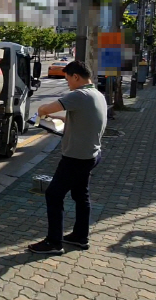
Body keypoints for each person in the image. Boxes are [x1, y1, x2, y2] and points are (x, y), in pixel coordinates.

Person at [28, 61, 107, 255]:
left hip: (76, 157)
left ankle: (54, 242)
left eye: (68, 79)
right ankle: (80, 236)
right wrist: (61, 120)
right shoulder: (97, 94)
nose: (68, 84)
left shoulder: (80, 94)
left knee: (53, 194)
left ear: (76, 77)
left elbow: (46, 108)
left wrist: (40, 113)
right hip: (91, 154)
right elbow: (82, 119)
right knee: (81, 195)